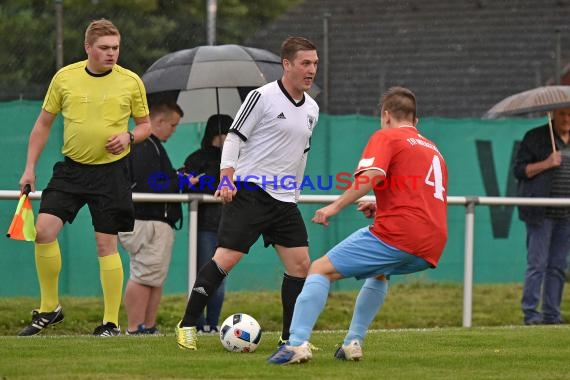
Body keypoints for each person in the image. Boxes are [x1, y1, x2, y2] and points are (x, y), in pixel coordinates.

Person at [267, 86, 448, 364]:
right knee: (379, 272)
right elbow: (420, 194)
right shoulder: (433, 149)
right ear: (416, 121)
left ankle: (295, 344)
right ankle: (353, 342)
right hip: (432, 242)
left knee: (319, 269)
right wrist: (379, 205)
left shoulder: (386, 136)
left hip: (398, 234)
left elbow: (373, 175)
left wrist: (334, 206)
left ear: (386, 116)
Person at [175, 36, 319, 350]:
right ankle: (186, 325)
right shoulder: (262, 97)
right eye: (305, 63)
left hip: (283, 200)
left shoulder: (312, 108)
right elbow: (233, 140)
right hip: (250, 192)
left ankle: (289, 339)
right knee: (224, 261)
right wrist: (226, 179)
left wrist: (293, 193)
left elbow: (302, 153)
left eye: (315, 64)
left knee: (300, 266)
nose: (311, 70)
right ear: (287, 64)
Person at [17, 19, 151, 337]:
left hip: (112, 173)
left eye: (115, 48)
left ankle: (110, 323)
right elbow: (43, 125)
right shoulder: (65, 78)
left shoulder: (131, 81)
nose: (111, 54)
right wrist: (29, 168)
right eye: (104, 48)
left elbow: (146, 125)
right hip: (72, 170)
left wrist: (129, 137)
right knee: (43, 231)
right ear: (88, 48)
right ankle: (49, 308)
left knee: (106, 244)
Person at [118, 102, 184, 335]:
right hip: (145, 220)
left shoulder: (153, 146)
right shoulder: (144, 145)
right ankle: (135, 327)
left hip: (155, 220)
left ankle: (148, 325)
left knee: (154, 276)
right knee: (143, 274)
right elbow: (150, 186)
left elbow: (158, 181)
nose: (174, 130)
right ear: (159, 122)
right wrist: (181, 181)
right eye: (173, 125)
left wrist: (177, 177)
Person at [513, 108, 570, 325]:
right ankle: (530, 314)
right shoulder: (535, 137)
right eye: (563, 114)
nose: (567, 119)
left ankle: (552, 314)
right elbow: (519, 171)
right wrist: (547, 163)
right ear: (554, 115)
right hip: (540, 212)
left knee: (557, 266)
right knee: (537, 264)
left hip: (566, 214)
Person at [180, 114, 233, 334]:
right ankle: (200, 323)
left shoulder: (232, 160)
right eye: (228, 133)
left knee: (216, 276)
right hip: (205, 225)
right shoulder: (199, 159)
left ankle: (210, 322)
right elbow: (182, 181)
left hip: (224, 225)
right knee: (207, 275)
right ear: (218, 133)